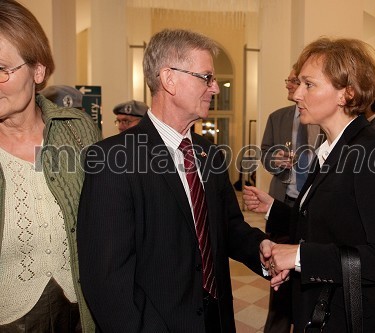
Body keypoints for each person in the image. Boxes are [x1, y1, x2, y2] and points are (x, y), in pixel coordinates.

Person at [76, 28, 274, 333]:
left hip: (215, 319)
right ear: (169, 79)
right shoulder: (112, 159)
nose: (216, 88)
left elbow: (228, 228)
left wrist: (265, 252)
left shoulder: (210, 154)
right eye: (207, 77)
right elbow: (107, 280)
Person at [244, 37, 375, 332]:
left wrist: (298, 256)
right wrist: (275, 208)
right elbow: (327, 225)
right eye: (298, 84)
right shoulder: (332, 147)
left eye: (308, 85)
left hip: (351, 318)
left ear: (346, 94)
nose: (296, 94)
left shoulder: (374, 153)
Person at [0, 1, 101, 332]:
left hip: (80, 315)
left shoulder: (76, 129)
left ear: (38, 71)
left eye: (2, 69)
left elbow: (107, 220)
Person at [259, 68, 322, 333]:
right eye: (291, 81)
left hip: (313, 205)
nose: (291, 87)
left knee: (310, 273)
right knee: (279, 277)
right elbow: (264, 153)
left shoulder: (323, 116)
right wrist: (275, 161)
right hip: (284, 201)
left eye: (297, 81)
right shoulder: (277, 117)